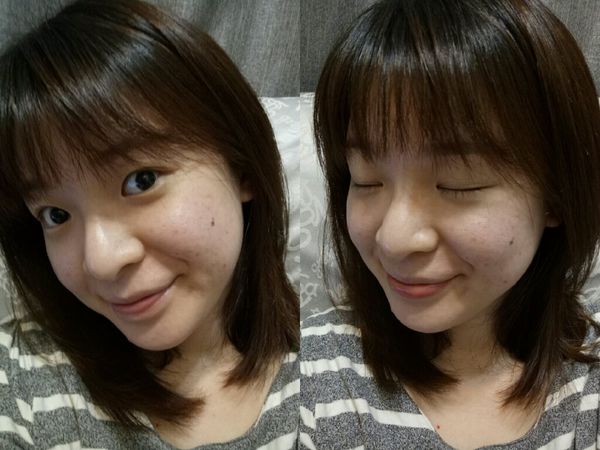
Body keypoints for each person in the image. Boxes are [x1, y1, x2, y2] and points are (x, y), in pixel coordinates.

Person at [300, 0, 600, 448]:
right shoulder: (307, 372)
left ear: (556, 194)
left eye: (458, 182)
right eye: (366, 179)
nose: (394, 239)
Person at [0, 0, 299, 448]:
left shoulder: (328, 376)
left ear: (242, 170)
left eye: (141, 181)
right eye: (56, 215)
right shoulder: (22, 384)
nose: (101, 261)